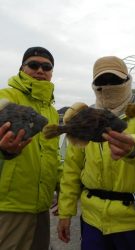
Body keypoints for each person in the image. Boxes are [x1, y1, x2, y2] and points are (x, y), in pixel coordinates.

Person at [57, 56, 135, 250]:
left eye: (114, 80)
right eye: (101, 82)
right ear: (94, 86)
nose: (108, 86)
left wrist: (134, 146)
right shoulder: (86, 119)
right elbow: (72, 170)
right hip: (93, 222)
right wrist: (65, 213)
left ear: (127, 81)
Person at [0, 47, 60, 250]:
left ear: (51, 72)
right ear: (22, 68)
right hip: (10, 206)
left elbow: (53, 155)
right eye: (33, 65)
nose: (40, 70)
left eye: (46, 66)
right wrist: (5, 151)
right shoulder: (6, 96)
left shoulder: (52, 111)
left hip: (41, 206)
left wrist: (62, 189)